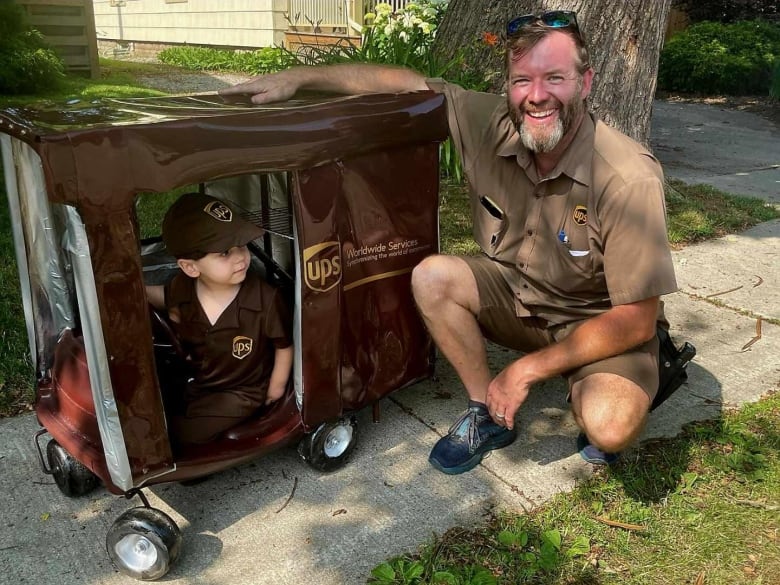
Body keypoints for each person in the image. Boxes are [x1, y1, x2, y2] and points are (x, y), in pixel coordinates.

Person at [220, 10, 677, 473]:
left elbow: (635, 319)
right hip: (519, 298)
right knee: (432, 276)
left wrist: (526, 370)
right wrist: (302, 78)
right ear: (508, 85)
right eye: (522, 80)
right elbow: (402, 82)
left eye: (555, 78)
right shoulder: (487, 120)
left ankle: (625, 373)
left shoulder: (627, 176)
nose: (537, 96)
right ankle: (486, 412)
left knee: (609, 426)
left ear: (586, 82)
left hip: (597, 318)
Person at [146, 192, 294, 445]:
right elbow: (162, 297)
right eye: (225, 252)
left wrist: (277, 388)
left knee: (180, 435)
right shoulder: (183, 288)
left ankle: (192, 459)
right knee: (149, 407)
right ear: (191, 267)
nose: (240, 257)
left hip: (243, 390)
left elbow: (284, 346)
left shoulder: (263, 301)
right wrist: (129, 288)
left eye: (242, 246)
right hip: (201, 380)